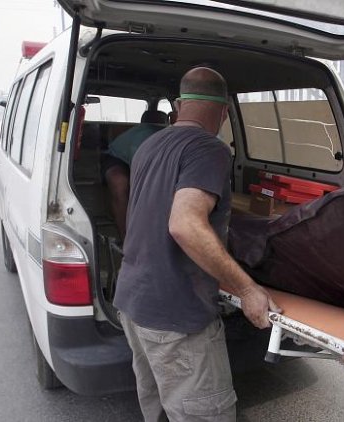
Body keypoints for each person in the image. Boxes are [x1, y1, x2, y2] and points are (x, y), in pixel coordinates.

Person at [114, 67, 280, 422]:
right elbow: (186, 224)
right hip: (175, 314)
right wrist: (247, 289)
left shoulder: (148, 145)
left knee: (158, 404)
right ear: (223, 112)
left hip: (133, 301)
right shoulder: (210, 149)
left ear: (178, 105)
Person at [102, 109, 168, 239]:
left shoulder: (167, 135)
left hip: (141, 159)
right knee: (119, 183)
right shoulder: (143, 136)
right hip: (117, 159)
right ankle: (125, 236)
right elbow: (141, 169)